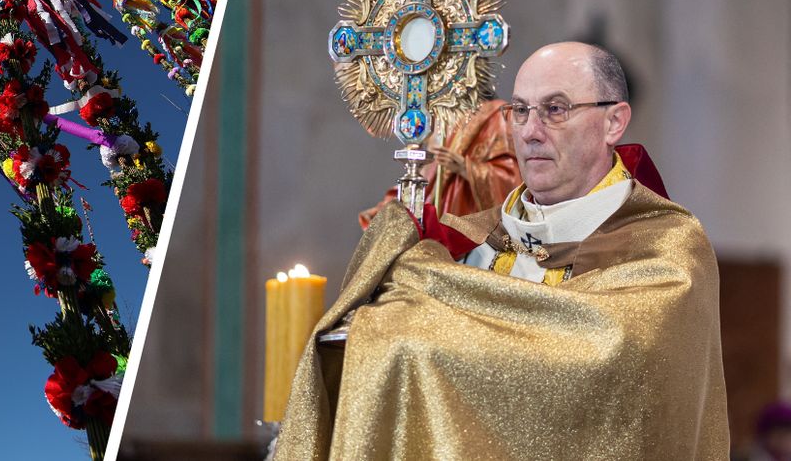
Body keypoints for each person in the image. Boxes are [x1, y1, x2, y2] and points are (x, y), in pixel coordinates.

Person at [276, 42, 729, 459]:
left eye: (555, 109)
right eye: (519, 110)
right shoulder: (461, 244)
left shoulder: (666, 248)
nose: (530, 131)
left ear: (614, 121)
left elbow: (616, 358)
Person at [358, 97, 520, 228]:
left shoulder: (494, 113)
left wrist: (467, 168)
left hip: (468, 223)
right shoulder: (439, 120)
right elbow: (429, 177)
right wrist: (394, 204)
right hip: (436, 219)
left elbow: (510, 179)